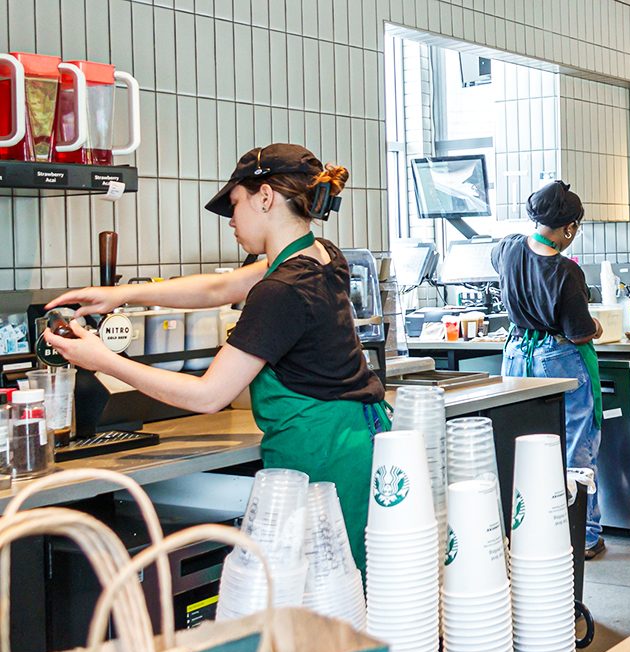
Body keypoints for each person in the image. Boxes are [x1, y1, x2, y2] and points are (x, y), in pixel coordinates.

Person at [44, 143, 389, 572]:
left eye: (236, 203)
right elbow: (218, 288)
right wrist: (119, 295)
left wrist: (101, 359)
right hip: (358, 438)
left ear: (265, 197)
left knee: (322, 594)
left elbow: (208, 395)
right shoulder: (320, 254)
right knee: (352, 589)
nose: (231, 220)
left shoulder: (281, 290)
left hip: (321, 458)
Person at [492, 181, 605, 559]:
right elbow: (579, 333)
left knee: (522, 444)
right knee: (574, 445)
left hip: (515, 355)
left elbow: (505, 259)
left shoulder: (507, 249)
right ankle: (583, 537)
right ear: (569, 228)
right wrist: (597, 327)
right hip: (556, 358)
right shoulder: (566, 271)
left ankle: (528, 532)